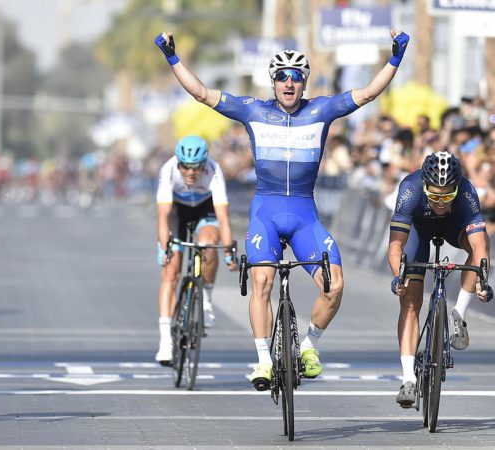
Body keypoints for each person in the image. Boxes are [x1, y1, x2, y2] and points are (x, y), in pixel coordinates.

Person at [155, 29, 410, 389]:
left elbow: (368, 93)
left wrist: (395, 57)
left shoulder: (321, 110)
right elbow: (201, 93)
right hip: (267, 213)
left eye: (296, 76)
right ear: (272, 81)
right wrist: (172, 57)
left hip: (305, 215)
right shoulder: (253, 111)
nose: (289, 82)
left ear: (304, 82)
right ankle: (262, 360)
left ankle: (308, 346)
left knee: (335, 286)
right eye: (282, 76)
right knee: (262, 280)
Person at [388, 151, 492, 408]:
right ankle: (408, 379)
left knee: (480, 245)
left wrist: (482, 280)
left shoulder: (466, 191)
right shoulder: (410, 189)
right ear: (425, 186)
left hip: (453, 227)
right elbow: (396, 246)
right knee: (410, 301)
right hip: (419, 231)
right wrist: (399, 276)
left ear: (457, 188)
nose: (441, 202)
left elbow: (480, 247)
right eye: (435, 196)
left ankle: (458, 314)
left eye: (447, 196)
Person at [155, 135, 237, 365]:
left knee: (209, 244)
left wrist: (229, 252)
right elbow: (162, 216)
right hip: (177, 212)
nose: (191, 173)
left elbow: (223, 218)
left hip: (205, 209)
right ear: (178, 164)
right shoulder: (168, 170)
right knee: (170, 272)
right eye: (186, 167)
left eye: (197, 168)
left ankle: (206, 300)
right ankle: (165, 341)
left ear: (204, 164)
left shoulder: (214, 171)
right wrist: (164, 248)